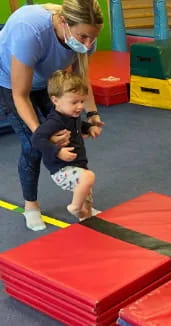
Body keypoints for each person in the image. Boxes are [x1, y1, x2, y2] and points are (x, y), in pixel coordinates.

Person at [0, 0, 104, 231]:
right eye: (83, 37)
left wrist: (92, 114)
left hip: (47, 82)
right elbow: (20, 94)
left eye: (92, 38)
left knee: (71, 130)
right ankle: (31, 205)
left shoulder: (85, 38)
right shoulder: (31, 31)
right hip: (9, 82)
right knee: (32, 146)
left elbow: (80, 81)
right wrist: (43, 136)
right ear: (64, 22)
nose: (87, 44)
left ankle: (84, 207)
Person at [32, 70, 100, 221]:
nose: (80, 106)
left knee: (87, 198)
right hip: (61, 169)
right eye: (74, 102)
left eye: (82, 101)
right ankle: (74, 207)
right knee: (88, 178)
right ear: (55, 100)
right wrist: (57, 152)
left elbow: (78, 124)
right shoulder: (54, 122)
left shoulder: (70, 115)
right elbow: (37, 139)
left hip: (78, 164)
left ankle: (84, 215)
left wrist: (89, 128)